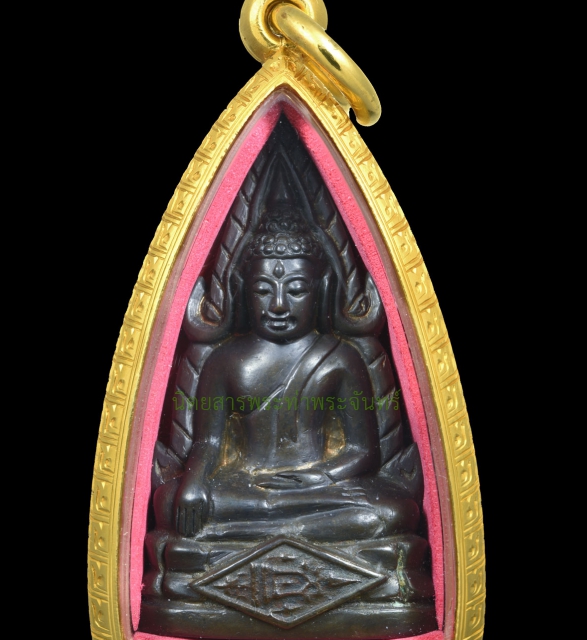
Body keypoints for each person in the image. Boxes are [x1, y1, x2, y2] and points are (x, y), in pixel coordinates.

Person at [153, 213, 421, 543]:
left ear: (321, 290)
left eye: (296, 290)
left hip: (316, 489)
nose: (278, 305)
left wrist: (320, 476)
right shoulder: (224, 360)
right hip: (245, 487)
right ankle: (290, 537)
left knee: (391, 512)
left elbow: (363, 450)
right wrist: (193, 483)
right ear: (243, 292)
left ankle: (242, 539)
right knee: (169, 502)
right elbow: (209, 443)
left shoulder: (340, 358)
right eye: (263, 290)